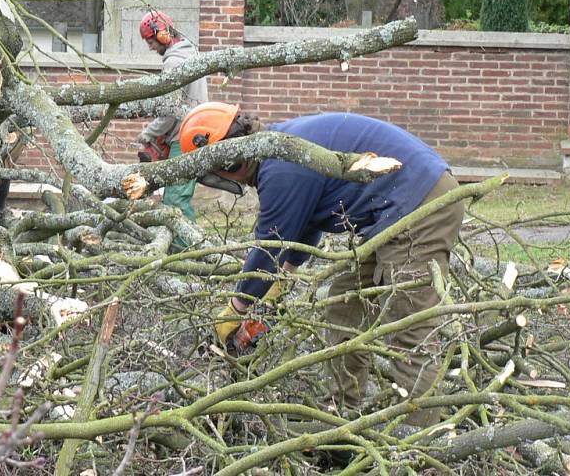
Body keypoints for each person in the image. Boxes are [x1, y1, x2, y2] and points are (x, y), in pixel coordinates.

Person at [178, 102, 465, 427]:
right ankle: (343, 414)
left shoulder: (280, 167)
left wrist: (238, 307)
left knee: (412, 324)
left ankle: (419, 442)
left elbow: (270, 245)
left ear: (226, 161)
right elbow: (308, 222)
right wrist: (282, 279)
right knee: (345, 303)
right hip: (396, 210)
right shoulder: (280, 151)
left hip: (421, 203)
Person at [137, 10, 207, 222]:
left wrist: (147, 134)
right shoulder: (191, 54)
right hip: (194, 134)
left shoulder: (173, 63)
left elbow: (169, 112)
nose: (150, 47)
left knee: (176, 203)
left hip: (184, 140)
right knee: (175, 199)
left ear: (162, 34)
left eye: (151, 41)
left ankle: (189, 251)